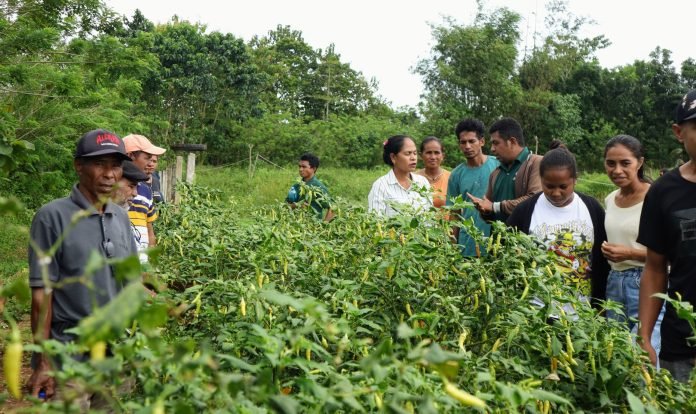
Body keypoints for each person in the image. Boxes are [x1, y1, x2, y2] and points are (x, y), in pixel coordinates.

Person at [28, 129, 137, 402]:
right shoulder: (52, 217)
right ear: (79, 166)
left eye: (116, 165)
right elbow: (42, 295)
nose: (109, 174)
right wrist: (44, 360)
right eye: (100, 164)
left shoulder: (121, 218)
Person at [638, 89, 696, 381]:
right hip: (682, 345)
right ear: (678, 132)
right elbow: (655, 268)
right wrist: (645, 335)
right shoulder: (663, 191)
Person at [507, 143, 610, 305]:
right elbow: (508, 254)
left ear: (575, 180)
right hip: (536, 309)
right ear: (541, 179)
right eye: (549, 186)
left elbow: (604, 259)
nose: (556, 193)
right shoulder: (524, 211)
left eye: (563, 187)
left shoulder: (592, 208)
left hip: (583, 310)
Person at [602, 135, 664, 358]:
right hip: (614, 282)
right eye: (611, 163)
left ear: (640, 162)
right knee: (617, 355)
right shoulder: (610, 199)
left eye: (625, 163)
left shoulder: (656, 197)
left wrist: (629, 253)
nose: (617, 170)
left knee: (643, 356)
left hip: (646, 281)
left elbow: (670, 254)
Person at [468, 117, 542, 222]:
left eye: (496, 143)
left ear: (512, 141)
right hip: (497, 233)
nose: (492, 149)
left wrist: (495, 206)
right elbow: (489, 212)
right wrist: (484, 210)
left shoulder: (536, 163)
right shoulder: (496, 173)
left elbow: (534, 200)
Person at [446, 119, 500, 256]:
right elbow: (454, 214)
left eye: (472, 141)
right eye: (463, 142)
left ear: (482, 141)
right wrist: (452, 249)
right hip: (468, 245)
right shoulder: (456, 175)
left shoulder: (498, 165)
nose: (467, 146)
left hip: (497, 243)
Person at [122, 134, 166, 254]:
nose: (150, 163)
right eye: (147, 158)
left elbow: (149, 230)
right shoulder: (112, 189)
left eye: (153, 160)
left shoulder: (146, 191)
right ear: (130, 156)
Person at [368, 135, 431, 217]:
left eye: (415, 153)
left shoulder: (423, 182)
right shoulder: (381, 186)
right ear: (393, 157)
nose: (413, 158)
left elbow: (429, 217)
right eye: (408, 153)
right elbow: (376, 219)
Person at [112, 160, 150, 250]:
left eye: (136, 187)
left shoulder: (122, 217)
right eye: (131, 186)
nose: (135, 193)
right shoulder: (100, 219)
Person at [286, 153, 334, 221]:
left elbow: (332, 209)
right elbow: (286, 206)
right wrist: (297, 205)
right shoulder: (296, 186)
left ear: (313, 168)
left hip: (313, 225)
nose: (300, 169)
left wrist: (324, 225)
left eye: (304, 167)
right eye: (299, 166)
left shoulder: (318, 186)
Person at [415, 137, 450, 209]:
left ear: (443, 156)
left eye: (437, 153)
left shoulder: (451, 178)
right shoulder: (413, 178)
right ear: (421, 155)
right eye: (429, 153)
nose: (433, 157)